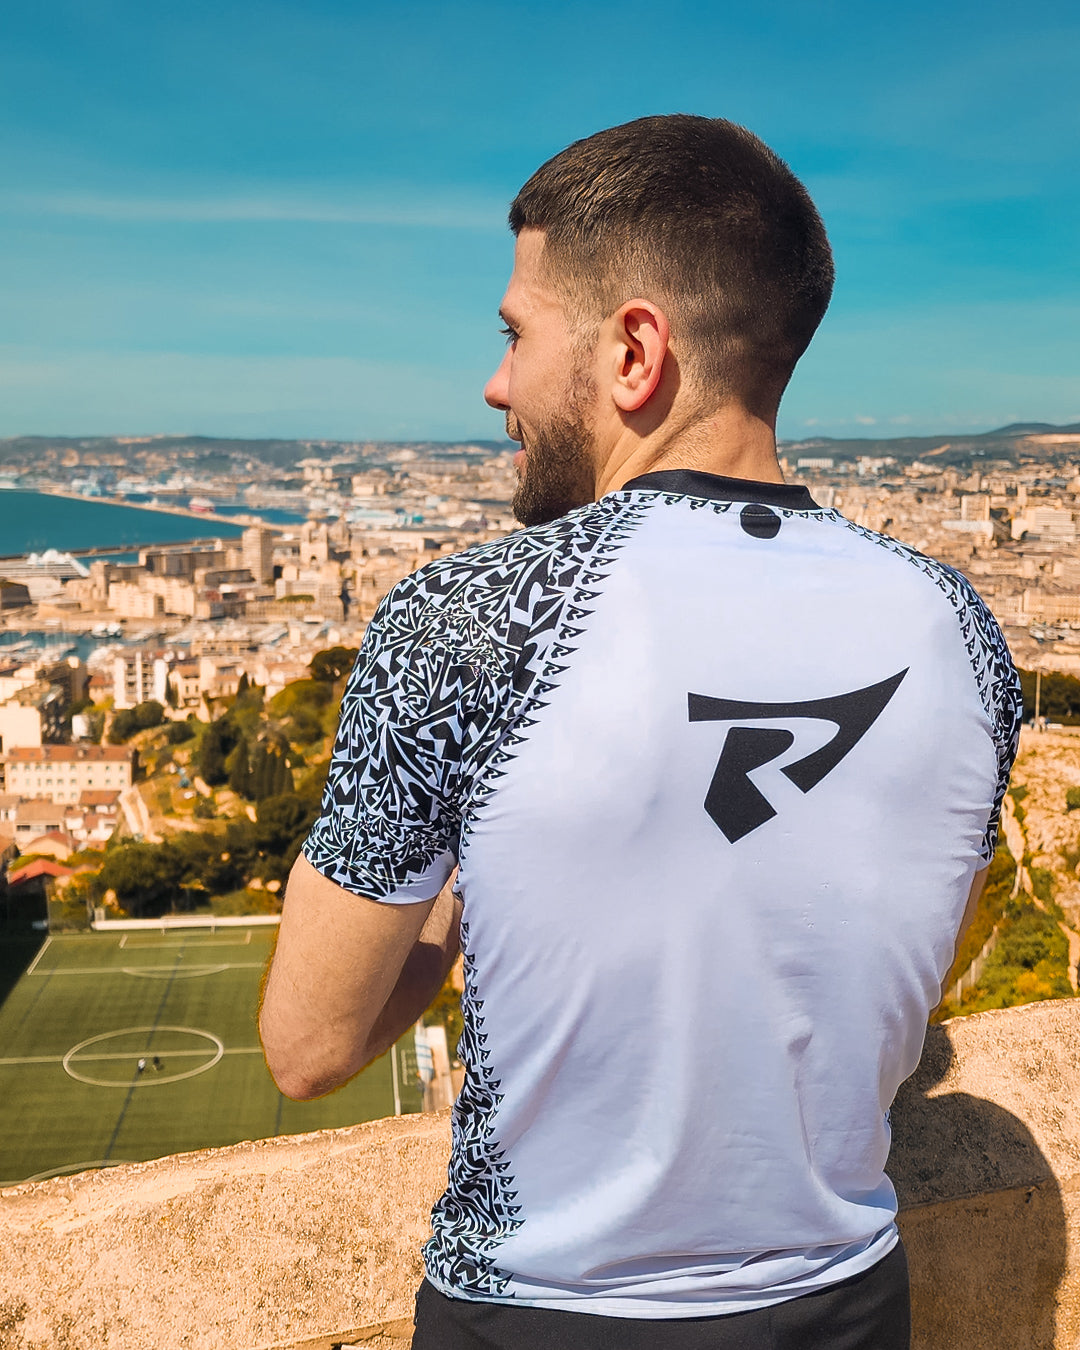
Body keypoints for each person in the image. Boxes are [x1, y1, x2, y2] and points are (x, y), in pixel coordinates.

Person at [259, 115, 1021, 1349]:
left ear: (633, 350)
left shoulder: (471, 619)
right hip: (854, 1305)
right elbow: (895, 963)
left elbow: (308, 1043)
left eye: (516, 333)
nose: (496, 384)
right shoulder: (963, 634)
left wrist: (468, 873)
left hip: (541, 1316)